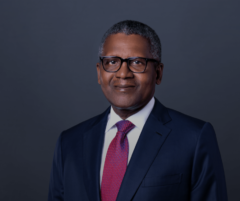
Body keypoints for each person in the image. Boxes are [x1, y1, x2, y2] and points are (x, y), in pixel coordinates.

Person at [48, 20, 228, 201]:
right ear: (99, 73)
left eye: (136, 62)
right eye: (111, 62)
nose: (123, 73)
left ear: (158, 73)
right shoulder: (69, 143)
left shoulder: (193, 138)